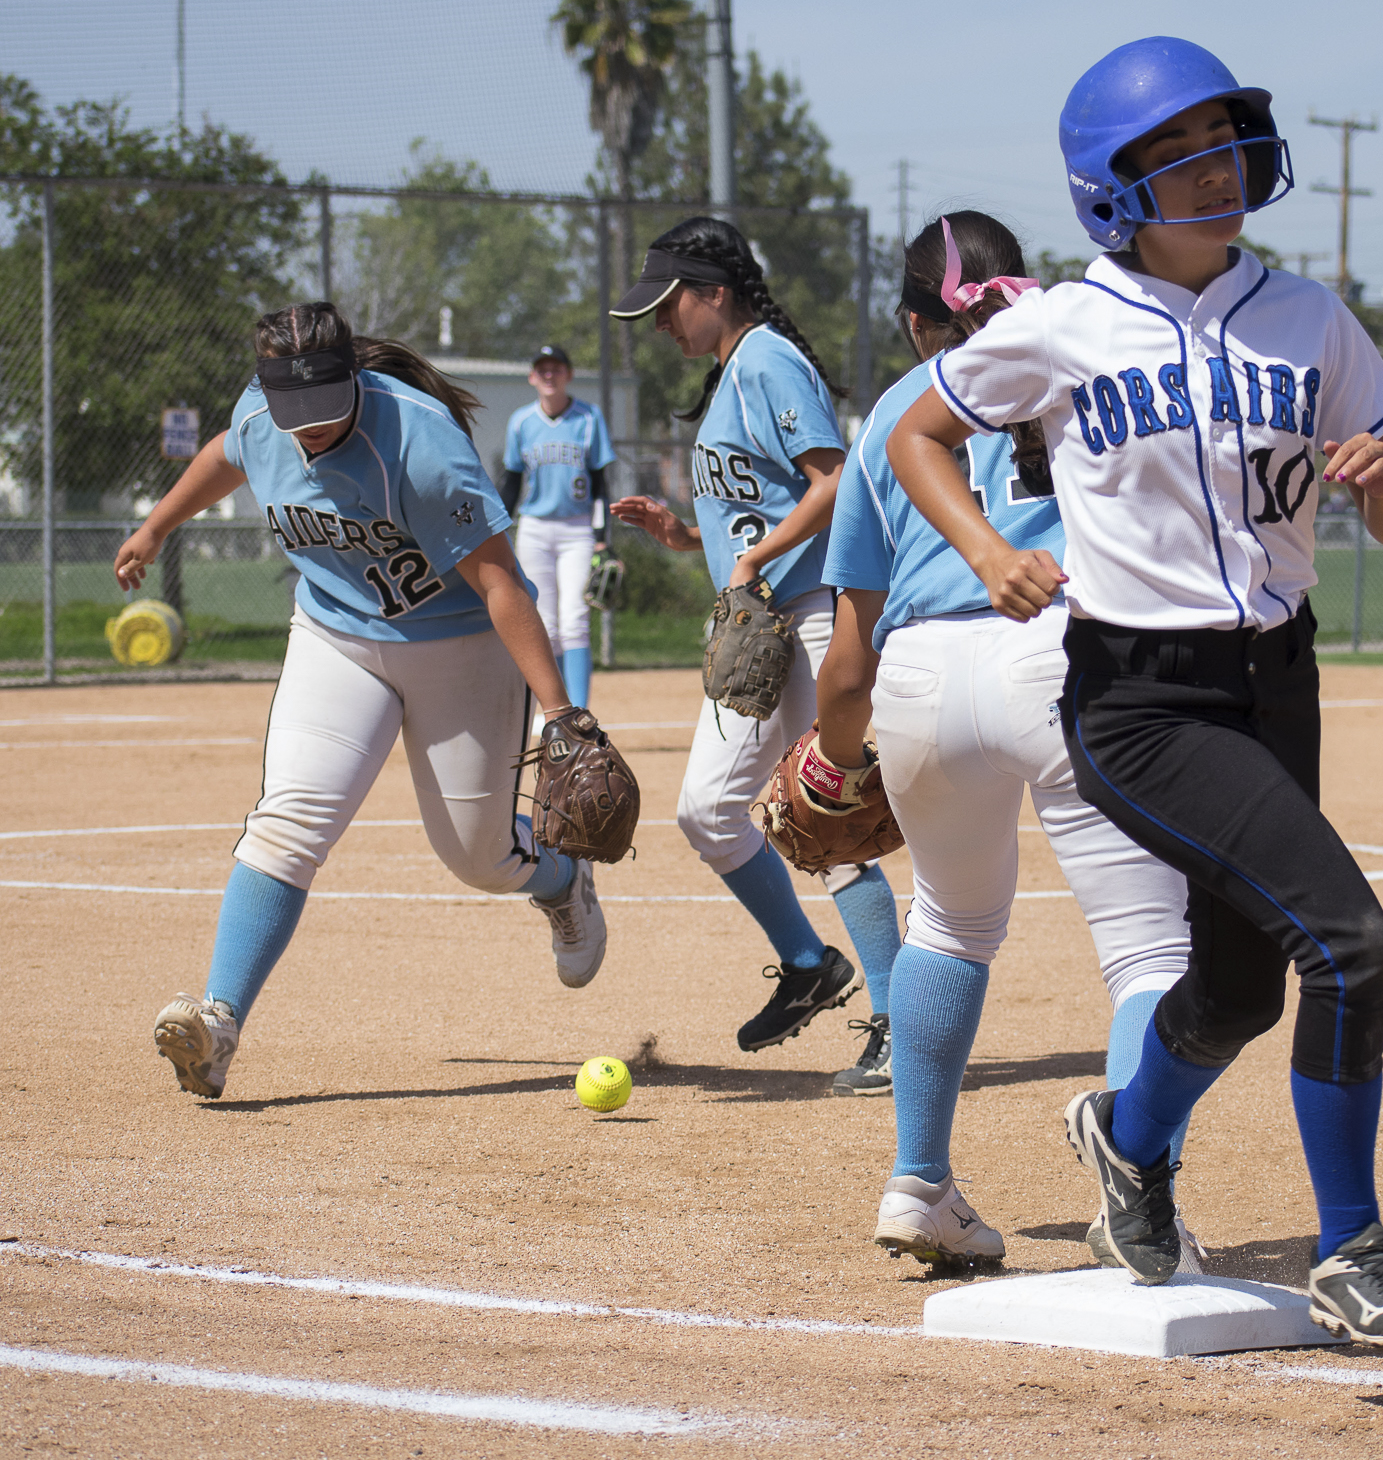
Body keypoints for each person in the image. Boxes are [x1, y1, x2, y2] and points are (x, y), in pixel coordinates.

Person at [884, 38, 1383, 1344]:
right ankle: (1354, 1246)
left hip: (1277, 678)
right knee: (1353, 943)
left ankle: (1126, 1139)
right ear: (1111, 188)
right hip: (1139, 696)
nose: (1216, 169)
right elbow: (920, 428)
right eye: (1177, 152)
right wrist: (986, 551)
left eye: (1224, 140)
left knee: (1241, 990)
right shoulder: (1065, 325)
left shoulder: (1311, 317)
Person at [815, 212, 1199, 1271]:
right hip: (1059, 654)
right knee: (1148, 947)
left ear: (911, 324)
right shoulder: (1072, 369)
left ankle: (917, 1183)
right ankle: (1137, 1212)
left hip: (921, 678)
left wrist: (831, 756)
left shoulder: (893, 413)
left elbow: (847, 655)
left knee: (945, 924)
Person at [116, 303, 610, 1101]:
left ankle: (560, 880)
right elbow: (226, 453)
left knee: (477, 856)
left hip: (459, 645)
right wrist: (156, 527)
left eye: (325, 410)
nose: (309, 430)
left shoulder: (422, 443)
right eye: (293, 415)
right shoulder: (262, 414)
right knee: (288, 820)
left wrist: (561, 713)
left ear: (355, 378)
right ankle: (219, 1026)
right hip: (337, 634)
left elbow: (498, 582)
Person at [605, 218, 901, 1082]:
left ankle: (883, 1010)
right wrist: (682, 532)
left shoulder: (766, 356)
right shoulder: (734, 369)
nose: (662, 323)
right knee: (744, 811)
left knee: (816, 813)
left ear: (715, 290)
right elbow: (761, 504)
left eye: (669, 304)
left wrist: (757, 557)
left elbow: (834, 477)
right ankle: (815, 968)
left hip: (802, 611)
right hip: (770, 613)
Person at [501, 343, 615, 711]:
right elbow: (511, 484)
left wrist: (601, 538)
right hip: (533, 528)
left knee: (575, 620)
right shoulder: (521, 421)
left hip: (577, 529)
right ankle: (556, 708)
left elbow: (600, 483)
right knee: (544, 623)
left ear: (568, 374)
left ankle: (578, 711)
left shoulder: (588, 418)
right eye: (542, 369)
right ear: (533, 377)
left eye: (557, 369)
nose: (549, 375)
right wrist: (500, 530)